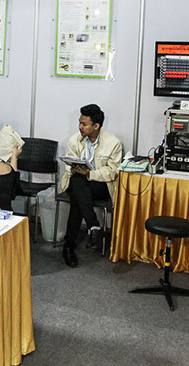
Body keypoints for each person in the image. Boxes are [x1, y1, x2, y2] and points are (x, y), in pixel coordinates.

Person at [60, 104, 122, 267]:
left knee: (77, 196)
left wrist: (90, 174)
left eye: (84, 124)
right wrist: (74, 168)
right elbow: (69, 164)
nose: (80, 127)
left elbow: (113, 172)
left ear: (96, 126)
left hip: (100, 185)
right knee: (77, 182)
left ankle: (69, 246)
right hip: (78, 182)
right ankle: (93, 225)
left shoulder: (113, 143)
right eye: (79, 122)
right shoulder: (74, 140)